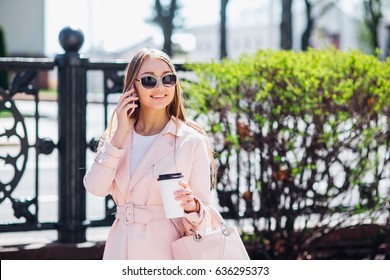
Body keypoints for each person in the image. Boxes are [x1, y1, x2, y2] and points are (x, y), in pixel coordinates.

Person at [83, 48, 216, 260]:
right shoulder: (118, 137)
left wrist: (193, 206)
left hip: (166, 252)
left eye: (167, 79)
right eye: (148, 80)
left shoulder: (190, 140)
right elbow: (95, 187)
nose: (160, 87)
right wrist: (119, 134)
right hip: (120, 250)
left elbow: (208, 217)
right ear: (132, 87)